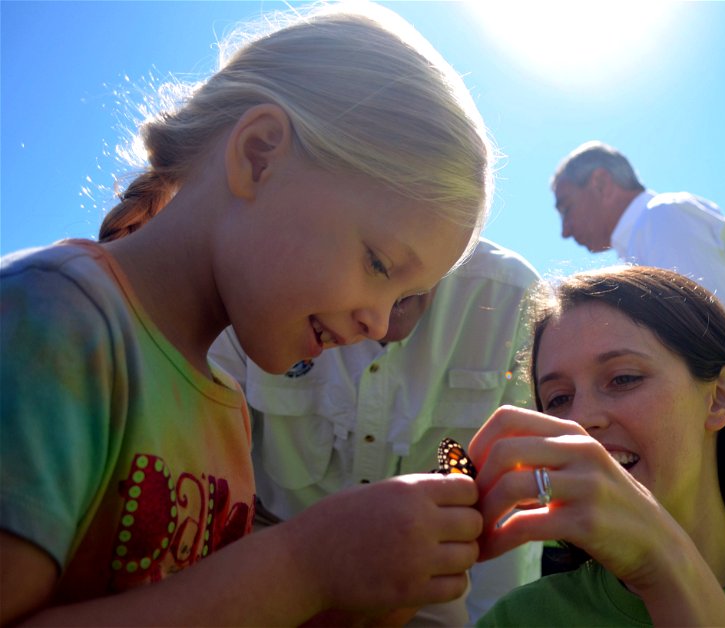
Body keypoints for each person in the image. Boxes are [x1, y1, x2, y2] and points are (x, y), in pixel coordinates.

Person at [0, 3, 495, 625]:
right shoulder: (53, 320)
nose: (378, 324)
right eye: (378, 262)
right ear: (259, 155)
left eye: (402, 300)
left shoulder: (227, 406)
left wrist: (366, 594)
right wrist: (303, 566)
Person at [469, 266, 725, 626]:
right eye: (558, 399)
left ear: (721, 397)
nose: (580, 419)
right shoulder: (520, 618)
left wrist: (662, 564)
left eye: (623, 379)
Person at [208, 237, 544, 625]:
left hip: (422, 574)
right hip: (266, 540)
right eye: (380, 264)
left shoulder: (512, 299)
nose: (381, 322)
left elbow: (513, 500)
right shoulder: (265, 271)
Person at [550, 141, 725, 558]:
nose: (564, 229)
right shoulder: (644, 236)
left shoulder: (661, 220)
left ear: (600, 183)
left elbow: (711, 338)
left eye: (565, 206)